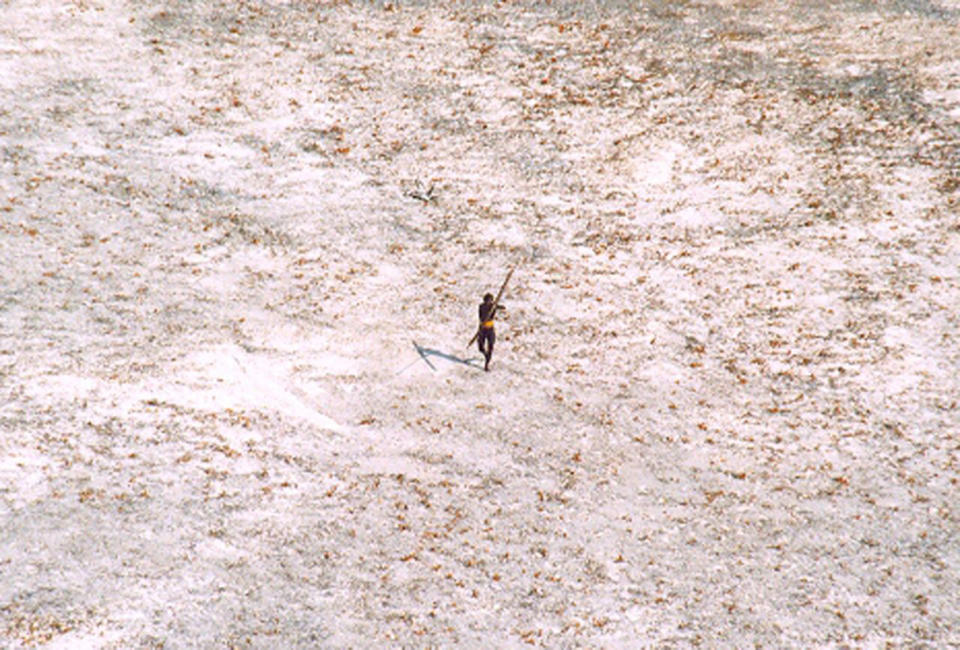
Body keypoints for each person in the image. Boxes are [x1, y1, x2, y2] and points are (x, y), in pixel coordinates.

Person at [477, 292, 503, 371]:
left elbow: (501, 307)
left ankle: (486, 364)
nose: (489, 302)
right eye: (487, 300)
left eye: (490, 300)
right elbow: (482, 316)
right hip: (483, 329)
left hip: (490, 329)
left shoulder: (493, 306)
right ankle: (486, 355)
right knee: (481, 347)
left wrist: (496, 306)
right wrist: (491, 310)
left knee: (491, 346)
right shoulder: (481, 306)